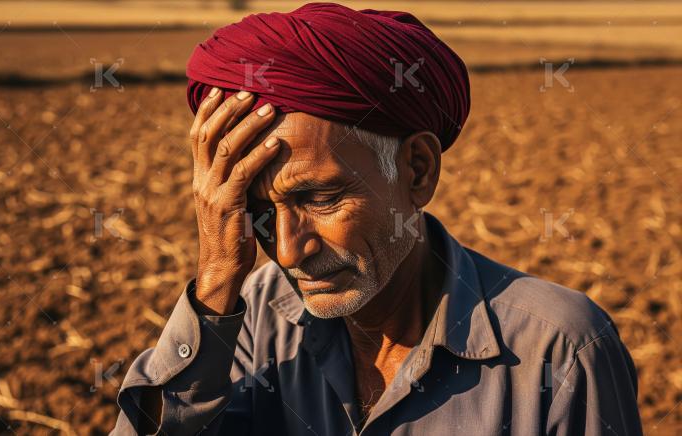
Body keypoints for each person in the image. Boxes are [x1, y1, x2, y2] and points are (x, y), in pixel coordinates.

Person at [111, 3, 642, 435]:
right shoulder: (251, 323)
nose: (291, 251)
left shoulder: (560, 351)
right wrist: (218, 279)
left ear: (417, 170)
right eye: (255, 211)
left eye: (320, 199)